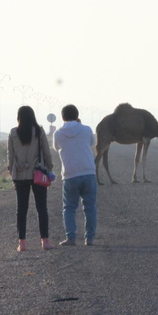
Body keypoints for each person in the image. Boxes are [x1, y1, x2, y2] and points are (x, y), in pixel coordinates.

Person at [7, 106, 55, 252]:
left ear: (18, 117)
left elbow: (10, 156)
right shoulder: (39, 132)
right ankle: (45, 241)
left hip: (20, 175)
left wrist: (12, 173)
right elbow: (47, 152)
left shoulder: (13, 133)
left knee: (21, 209)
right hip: (38, 174)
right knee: (42, 208)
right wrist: (50, 169)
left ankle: (22, 243)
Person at [53, 104, 97, 246]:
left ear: (62, 117)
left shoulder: (58, 133)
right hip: (88, 171)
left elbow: (56, 147)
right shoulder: (86, 129)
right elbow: (91, 142)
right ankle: (89, 238)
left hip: (70, 174)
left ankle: (71, 237)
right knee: (89, 207)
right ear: (77, 116)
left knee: (69, 208)